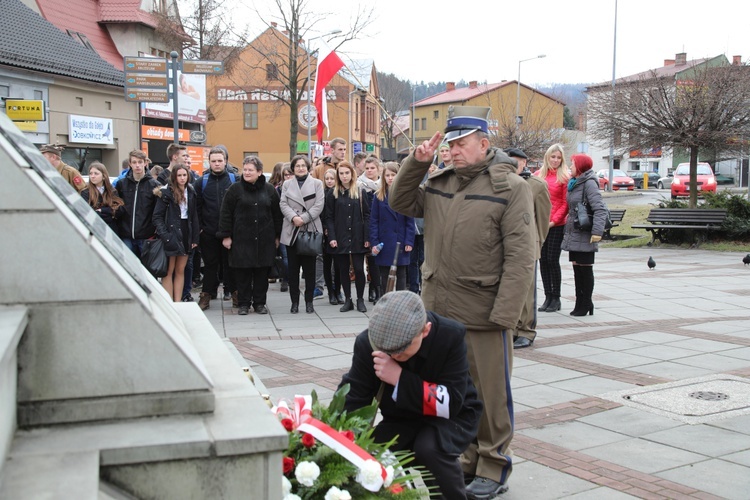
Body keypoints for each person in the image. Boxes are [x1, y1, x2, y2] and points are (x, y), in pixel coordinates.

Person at [389, 106, 536, 499]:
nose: (452, 151)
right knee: (453, 394)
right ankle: (466, 460)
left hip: (483, 312)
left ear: (483, 144)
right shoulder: (441, 181)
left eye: (460, 144)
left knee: (490, 396)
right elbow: (400, 201)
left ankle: (493, 464)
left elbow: (522, 257)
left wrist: (504, 316)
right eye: (449, 145)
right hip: (439, 309)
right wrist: (417, 164)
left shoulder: (510, 187)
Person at [339, 290, 483, 499]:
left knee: (429, 448)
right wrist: (340, 434)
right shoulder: (368, 343)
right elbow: (355, 395)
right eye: (388, 351)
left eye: (401, 351)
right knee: (374, 451)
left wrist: (399, 378)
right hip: (403, 416)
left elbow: (451, 402)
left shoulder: (449, 335)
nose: (394, 356)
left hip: (453, 415)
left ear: (425, 330)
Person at [218, 156, 282, 316]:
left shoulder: (269, 190)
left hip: (264, 239)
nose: (246, 172)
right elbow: (225, 214)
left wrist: (277, 235)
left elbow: (277, 214)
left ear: (259, 172)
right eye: (245, 169)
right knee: (243, 275)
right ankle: (244, 303)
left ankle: (260, 303)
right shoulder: (234, 190)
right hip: (241, 240)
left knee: (261, 274)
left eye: (250, 170)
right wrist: (226, 236)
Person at [506, 148, 551, 349]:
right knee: (509, 289)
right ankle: (513, 328)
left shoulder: (536, 185)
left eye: (517, 161)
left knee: (527, 291)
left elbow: (542, 219)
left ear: (525, 163)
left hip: (527, 245)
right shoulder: (502, 183)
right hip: (506, 245)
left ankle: (526, 330)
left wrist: (537, 243)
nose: (514, 165)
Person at [279, 155, 325, 314]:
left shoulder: (317, 184)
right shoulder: (286, 184)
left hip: (309, 229)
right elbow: (283, 203)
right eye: (297, 166)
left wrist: (303, 219)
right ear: (293, 168)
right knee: (293, 270)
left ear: (308, 167)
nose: (300, 168)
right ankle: (294, 302)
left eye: (303, 166)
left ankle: (309, 302)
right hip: (291, 230)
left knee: (310, 270)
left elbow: (319, 205)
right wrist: (293, 218)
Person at [561, 154, 606, 316]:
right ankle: (580, 301)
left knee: (585, 270)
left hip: (586, 232)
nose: (570, 167)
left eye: (572, 164)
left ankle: (585, 303)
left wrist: (596, 232)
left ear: (579, 167)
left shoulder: (589, 183)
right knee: (576, 269)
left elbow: (599, 209)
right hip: (575, 231)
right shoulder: (574, 183)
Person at [324, 160, 370, 313]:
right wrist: (332, 237)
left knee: (358, 269)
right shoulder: (333, 193)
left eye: (347, 173)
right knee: (343, 269)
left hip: (357, 235)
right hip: (340, 235)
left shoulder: (360, 191)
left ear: (352, 174)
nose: (344, 176)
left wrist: (367, 237)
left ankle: (360, 299)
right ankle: (348, 300)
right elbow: (328, 217)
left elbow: (367, 215)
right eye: (341, 173)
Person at [194, 147, 237, 310]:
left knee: (231, 265)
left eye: (220, 160)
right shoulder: (201, 182)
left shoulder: (234, 180)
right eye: (214, 161)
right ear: (209, 162)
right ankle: (206, 295)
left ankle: (235, 294)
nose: (217, 164)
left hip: (230, 233)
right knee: (211, 266)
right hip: (209, 232)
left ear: (225, 161)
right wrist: (201, 229)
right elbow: (197, 208)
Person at [152, 164, 200, 302]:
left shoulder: (191, 191)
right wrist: (165, 235)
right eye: (179, 175)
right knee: (168, 271)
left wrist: (195, 237)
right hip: (171, 231)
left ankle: (178, 302)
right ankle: (170, 303)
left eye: (185, 175)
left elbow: (194, 216)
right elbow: (157, 217)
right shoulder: (166, 192)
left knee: (180, 270)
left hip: (186, 231)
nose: (182, 178)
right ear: (174, 177)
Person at [535, 144, 570, 314]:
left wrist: (554, 221)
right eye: (553, 157)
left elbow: (565, 203)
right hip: (541, 223)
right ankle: (548, 296)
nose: (555, 160)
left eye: (558, 157)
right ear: (547, 158)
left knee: (552, 259)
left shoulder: (564, 177)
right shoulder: (538, 175)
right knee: (542, 260)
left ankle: (556, 297)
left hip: (556, 225)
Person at [369, 162, 414, 293]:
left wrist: (409, 241)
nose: (390, 178)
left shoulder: (405, 196)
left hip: (401, 240)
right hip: (384, 241)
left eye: (393, 175)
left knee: (401, 275)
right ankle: (385, 301)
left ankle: (400, 303)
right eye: (387, 175)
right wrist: (374, 242)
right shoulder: (379, 196)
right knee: (384, 275)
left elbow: (410, 221)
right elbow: (373, 221)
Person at [116, 149, 160, 257]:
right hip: (126, 234)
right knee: (127, 267)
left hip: (146, 236)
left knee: (146, 269)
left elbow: (158, 211)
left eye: (140, 162)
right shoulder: (122, 184)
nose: (137, 165)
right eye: (134, 162)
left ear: (145, 163)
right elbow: (117, 206)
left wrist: (154, 231)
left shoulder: (154, 185)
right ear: (130, 164)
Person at [359, 156, 382, 303]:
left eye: (372, 168)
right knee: (370, 259)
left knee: (378, 260)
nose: (369, 171)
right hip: (364, 225)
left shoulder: (383, 184)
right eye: (367, 168)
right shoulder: (359, 185)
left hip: (381, 225)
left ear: (378, 169)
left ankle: (377, 287)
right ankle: (372, 289)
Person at [81, 161, 126, 234]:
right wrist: (109, 214)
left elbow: (120, 209)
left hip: (111, 230)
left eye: (96, 173)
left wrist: (103, 210)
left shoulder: (111, 191)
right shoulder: (85, 192)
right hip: (94, 230)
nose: (92, 176)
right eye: (90, 173)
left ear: (104, 176)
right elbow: (88, 212)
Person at [321, 168, 343, 305]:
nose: (329, 181)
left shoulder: (339, 193)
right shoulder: (321, 193)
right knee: (327, 264)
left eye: (332, 179)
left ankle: (338, 290)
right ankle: (330, 291)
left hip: (339, 232)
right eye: (327, 179)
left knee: (339, 265)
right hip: (325, 233)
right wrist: (325, 229)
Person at [274, 164, 293, 293]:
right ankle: (285, 279)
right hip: (283, 228)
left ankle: (291, 278)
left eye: (291, 174)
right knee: (285, 257)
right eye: (286, 174)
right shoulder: (278, 190)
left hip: (298, 226)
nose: (289, 177)